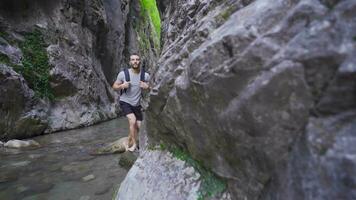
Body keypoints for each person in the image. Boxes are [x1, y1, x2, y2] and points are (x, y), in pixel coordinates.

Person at [112, 54, 150, 152]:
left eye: (137, 59)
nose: (135, 61)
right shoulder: (123, 74)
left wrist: (147, 86)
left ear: (140, 61)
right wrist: (122, 86)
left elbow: (152, 87)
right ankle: (134, 145)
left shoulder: (145, 75)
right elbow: (114, 86)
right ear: (130, 62)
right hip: (125, 102)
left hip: (137, 104)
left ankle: (127, 141)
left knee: (139, 127)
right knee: (132, 121)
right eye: (133, 60)